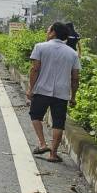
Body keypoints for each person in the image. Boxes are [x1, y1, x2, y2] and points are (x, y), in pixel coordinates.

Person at [27, 22, 80, 163]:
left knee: (35, 116)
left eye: (48, 30)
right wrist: (73, 97)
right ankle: (53, 154)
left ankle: (43, 144)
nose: (47, 32)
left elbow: (35, 69)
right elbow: (75, 78)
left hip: (42, 90)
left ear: (53, 32)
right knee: (58, 123)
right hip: (62, 93)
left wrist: (30, 89)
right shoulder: (72, 53)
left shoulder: (40, 47)